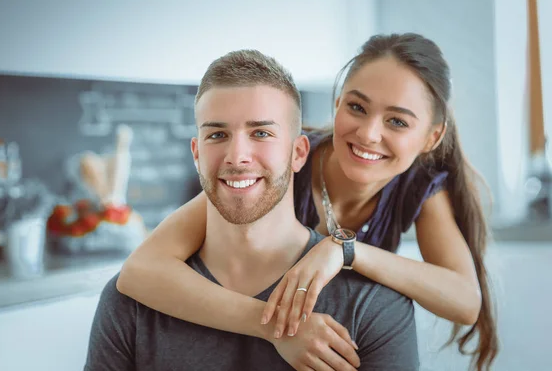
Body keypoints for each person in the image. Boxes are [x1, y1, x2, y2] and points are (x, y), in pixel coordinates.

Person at [117, 33, 499, 370]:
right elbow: (140, 271)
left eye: (397, 122)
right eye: (356, 107)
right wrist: (274, 327)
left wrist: (345, 252)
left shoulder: (419, 185)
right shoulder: (278, 167)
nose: (368, 133)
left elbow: (464, 301)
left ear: (431, 138)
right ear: (336, 104)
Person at [85, 49, 420, 371]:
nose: (236, 156)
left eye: (261, 133)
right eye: (217, 134)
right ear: (197, 152)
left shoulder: (374, 305)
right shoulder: (131, 302)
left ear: (299, 152)